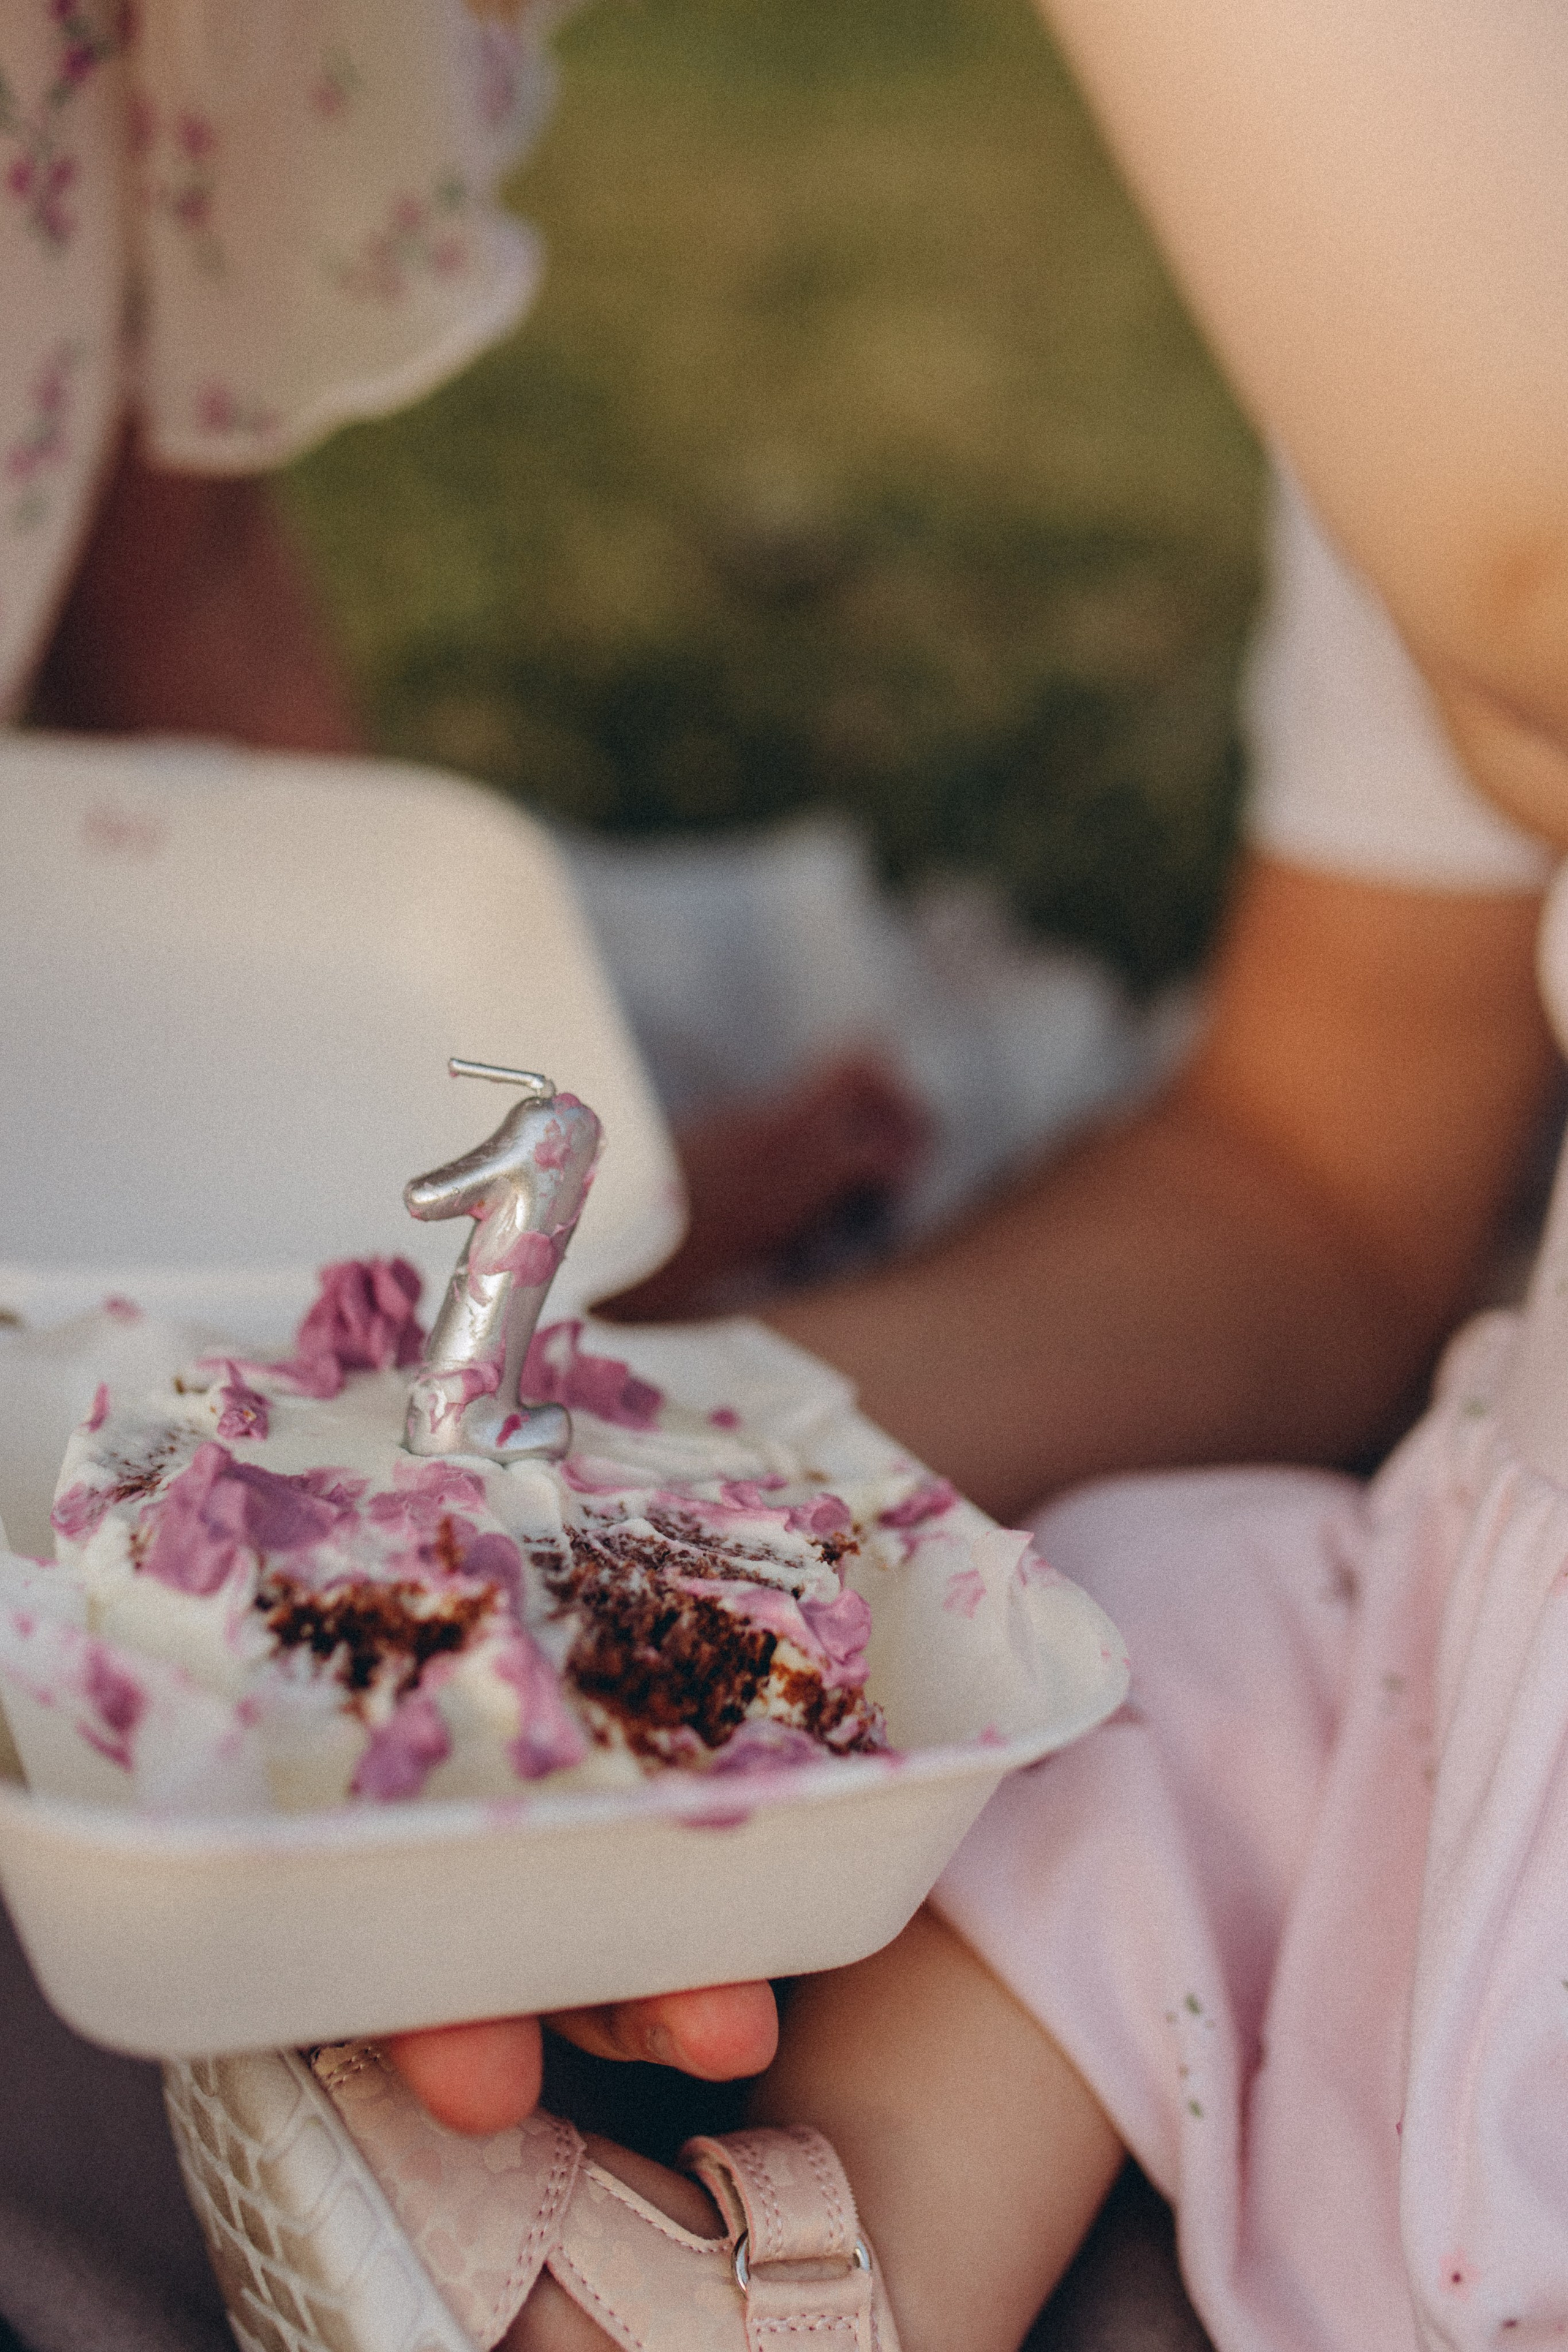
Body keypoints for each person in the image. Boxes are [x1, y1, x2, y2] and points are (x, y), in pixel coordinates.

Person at [366, 2, 1568, 2346]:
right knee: (1137, 1656)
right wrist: (601, 1501)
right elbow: (1325, 1178)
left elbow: (1532, 591)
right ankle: (794, 2288)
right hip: (1476, 1614)